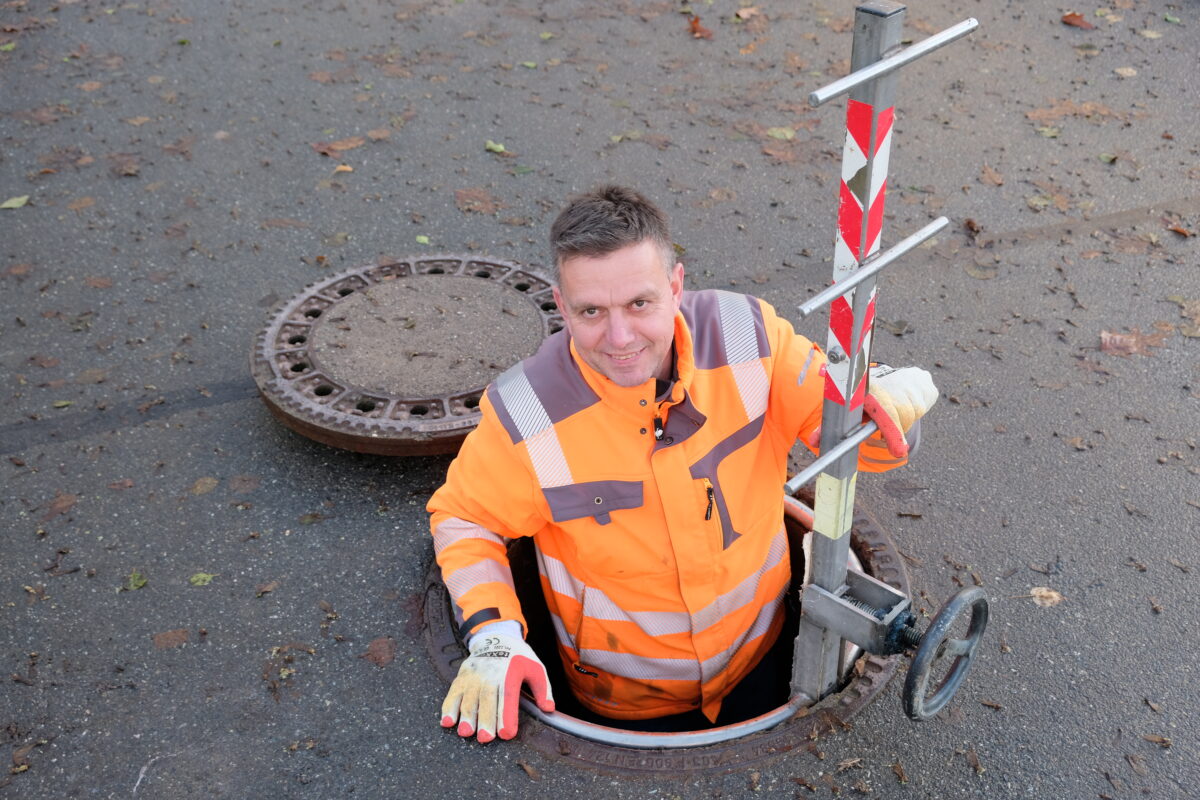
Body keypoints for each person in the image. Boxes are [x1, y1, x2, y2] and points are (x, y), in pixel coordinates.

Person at [427, 185, 937, 742]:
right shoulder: (527, 415)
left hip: (761, 658)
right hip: (618, 700)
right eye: (591, 311)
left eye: (640, 304)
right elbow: (466, 520)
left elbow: (847, 434)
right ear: (560, 302)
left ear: (675, 286)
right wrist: (494, 632)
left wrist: (884, 403)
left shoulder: (749, 337)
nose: (619, 337)